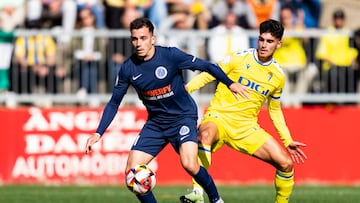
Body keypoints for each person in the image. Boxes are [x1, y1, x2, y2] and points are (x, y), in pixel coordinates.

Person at [84, 17, 247, 203]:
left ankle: (216, 200)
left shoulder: (170, 56)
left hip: (183, 118)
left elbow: (207, 66)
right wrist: (98, 132)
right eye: (135, 39)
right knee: (132, 173)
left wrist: (230, 83)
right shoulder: (128, 69)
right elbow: (114, 103)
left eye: (143, 38)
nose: (138, 43)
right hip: (156, 123)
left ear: (153, 38)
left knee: (190, 164)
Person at [180, 19, 307, 203]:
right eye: (261, 40)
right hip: (219, 117)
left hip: (246, 127)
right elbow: (209, 74)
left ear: (279, 44)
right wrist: (187, 89)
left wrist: (287, 140)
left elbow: (275, 110)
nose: (264, 45)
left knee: (286, 164)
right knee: (204, 135)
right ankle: (197, 194)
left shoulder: (278, 76)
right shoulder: (239, 57)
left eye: (269, 41)